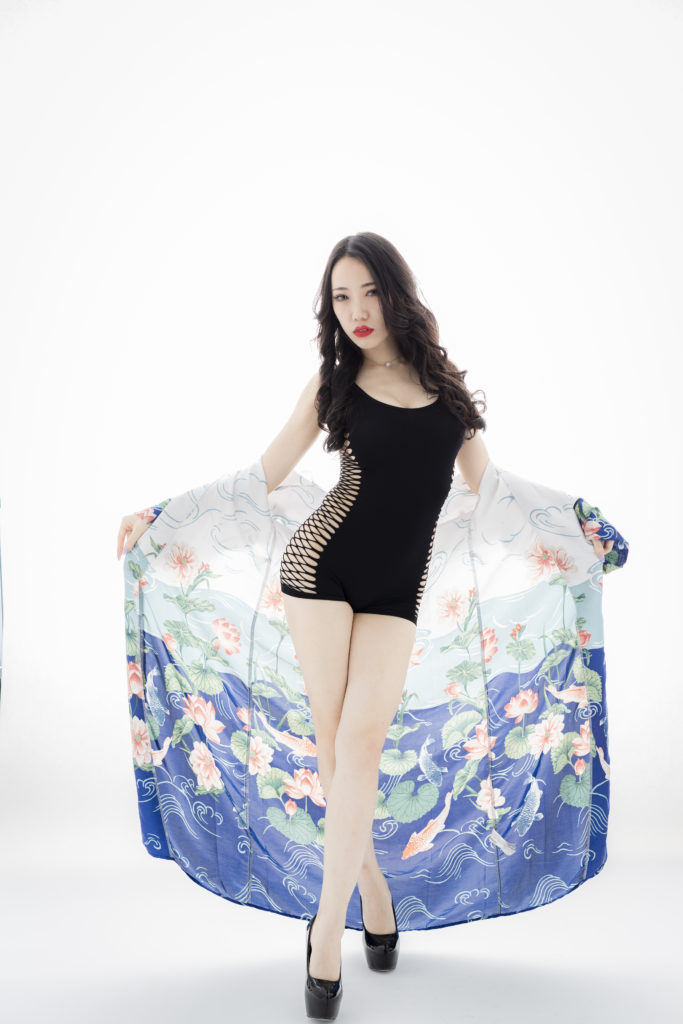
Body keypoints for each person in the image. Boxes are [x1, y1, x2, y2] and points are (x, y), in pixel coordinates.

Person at [117, 232, 615, 1021]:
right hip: (319, 567)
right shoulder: (335, 384)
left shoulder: (445, 388)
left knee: (356, 747)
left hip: (396, 590)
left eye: (368, 292)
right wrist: (161, 514)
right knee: (342, 746)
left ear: (395, 292)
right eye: (340, 297)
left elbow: (494, 490)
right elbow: (261, 476)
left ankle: (370, 894)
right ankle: (328, 932)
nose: (356, 310)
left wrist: (573, 519)